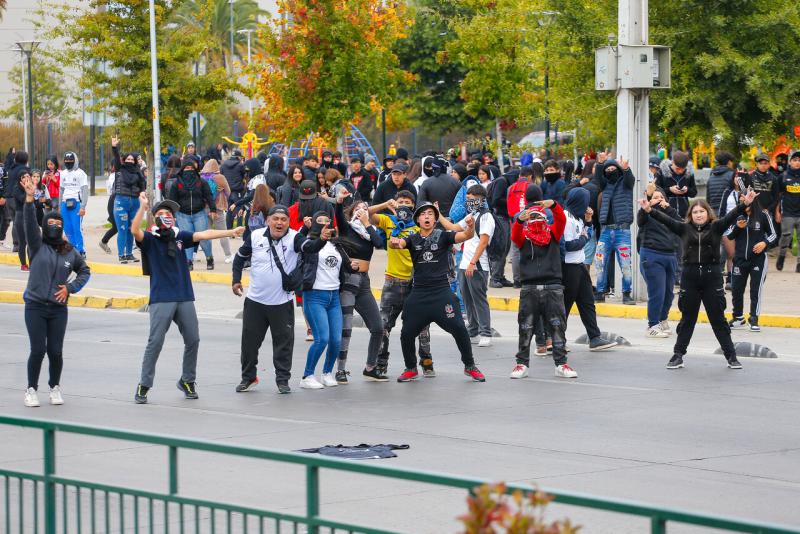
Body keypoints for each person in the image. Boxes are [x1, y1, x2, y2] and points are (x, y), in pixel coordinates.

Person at [132, 192, 245, 404]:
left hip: (184, 296)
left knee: (193, 339)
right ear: (155, 218)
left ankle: (187, 380)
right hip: (162, 297)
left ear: (174, 219)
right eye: (162, 213)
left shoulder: (179, 236)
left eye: (169, 214)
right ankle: (144, 385)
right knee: (155, 342)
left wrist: (231, 231)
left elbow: (203, 234)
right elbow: (134, 230)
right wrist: (142, 207)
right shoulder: (150, 239)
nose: (166, 216)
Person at [641, 190, 759, 370]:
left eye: (701, 211)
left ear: (708, 213)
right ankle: (678, 355)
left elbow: (731, 215)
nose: (698, 214)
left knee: (718, 319)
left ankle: (731, 356)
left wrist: (745, 204)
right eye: (695, 212)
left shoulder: (717, 226)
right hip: (690, 276)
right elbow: (665, 219)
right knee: (687, 319)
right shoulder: (683, 228)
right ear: (690, 215)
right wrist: (649, 210)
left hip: (712, 277)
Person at [388, 202, 486, 383]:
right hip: (418, 294)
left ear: (435, 219)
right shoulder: (412, 238)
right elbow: (399, 243)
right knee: (407, 333)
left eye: (431, 214)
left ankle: (470, 365)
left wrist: (471, 228)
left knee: (459, 328)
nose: (427, 217)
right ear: (417, 219)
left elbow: (465, 235)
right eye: (423, 214)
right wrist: (394, 243)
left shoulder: (443, 236)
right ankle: (411, 368)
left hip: (441, 293)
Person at [232, 205, 323, 394]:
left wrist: (321, 239)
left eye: (283, 219)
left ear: (288, 222)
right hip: (255, 301)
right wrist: (236, 280)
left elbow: (310, 247)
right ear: (268, 220)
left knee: (283, 344)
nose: (279, 223)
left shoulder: (294, 237)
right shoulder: (256, 236)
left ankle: (283, 380)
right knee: (249, 344)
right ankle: (248, 378)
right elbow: (240, 257)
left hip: (282, 303)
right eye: (276, 219)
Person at [19, 174, 90, 407]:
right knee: (38, 349)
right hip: (35, 306)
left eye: (58, 225)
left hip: (59, 309)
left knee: (56, 351)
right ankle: (31, 389)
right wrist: (29, 198)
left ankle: (54, 387)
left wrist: (70, 288)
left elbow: (84, 271)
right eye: (51, 224)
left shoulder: (69, 251)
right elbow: (29, 223)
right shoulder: (37, 246)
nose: (55, 227)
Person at [509, 185, 577, 379]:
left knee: (557, 326)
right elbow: (514, 234)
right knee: (525, 327)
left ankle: (561, 363)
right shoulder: (523, 237)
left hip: (553, 286)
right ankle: (521, 364)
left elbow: (561, 219)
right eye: (532, 218)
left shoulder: (553, 234)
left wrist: (554, 205)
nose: (536, 221)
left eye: (540, 217)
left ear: (546, 219)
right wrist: (519, 221)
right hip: (529, 286)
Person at [369, 190, 435, 377]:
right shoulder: (389, 221)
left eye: (407, 202)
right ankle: (381, 364)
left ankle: (426, 362)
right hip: (393, 281)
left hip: (417, 283)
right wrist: (385, 205)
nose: (404, 205)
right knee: (384, 326)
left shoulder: (420, 224)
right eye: (400, 202)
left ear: (414, 206)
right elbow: (365, 214)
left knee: (422, 326)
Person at [333, 189, 385, 382]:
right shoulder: (348, 228)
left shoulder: (368, 232)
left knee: (378, 327)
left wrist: (367, 223)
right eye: (358, 208)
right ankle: (340, 369)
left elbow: (379, 243)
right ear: (352, 211)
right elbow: (338, 216)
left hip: (364, 282)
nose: (362, 210)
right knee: (346, 327)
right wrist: (339, 201)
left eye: (365, 208)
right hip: (348, 279)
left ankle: (370, 367)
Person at [299, 211, 355, 389]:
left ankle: (327, 373)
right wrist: (305, 229)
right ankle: (307, 376)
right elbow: (302, 247)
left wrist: (351, 266)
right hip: (315, 295)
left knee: (336, 339)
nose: (324, 224)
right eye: (319, 221)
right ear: (313, 223)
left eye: (327, 221)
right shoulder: (307, 242)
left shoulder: (335, 245)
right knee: (321, 339)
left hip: (334, 297)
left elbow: (344, 264)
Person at [561, 187, 618, 350]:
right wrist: (584, 238)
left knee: (587, 302)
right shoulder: (566, 219)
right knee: (564, 305)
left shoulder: (577, 218)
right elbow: (567, 245)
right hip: (568, 268)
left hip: (579, 266)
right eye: (585, 202)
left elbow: (585, 233)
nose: (587, 205)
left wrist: (588, 220)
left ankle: (594, 337)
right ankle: (556, 340)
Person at [636, 184, 682, 337]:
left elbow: (681, 226)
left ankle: (662, 319)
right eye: (655, 197)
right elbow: (640, 219)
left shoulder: (669, 214)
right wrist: (648, 202)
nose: (659, 200)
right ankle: (652, 325)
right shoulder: (646, 213)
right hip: (651, 255)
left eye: (661, 197)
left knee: (669, 293)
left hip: (670, 256)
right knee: (658, 292)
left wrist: (668, 208)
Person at [727, 198, 778, 332]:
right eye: (741, 200)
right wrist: (738, 227)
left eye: (746, 199)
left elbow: (773, 234)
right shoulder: (737, 214)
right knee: (736, 289)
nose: (744, 202)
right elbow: (730, 236)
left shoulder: (762, 214)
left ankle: (754, 318)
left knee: (755, 290)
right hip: (739, 259)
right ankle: (738, 318)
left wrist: (764, 243)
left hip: (758, 260)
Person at [593, 158, 635, 304]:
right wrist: (600, 164)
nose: (611, 171)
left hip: (622, 231)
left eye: (613, 169)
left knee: (625, 265)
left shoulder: (626, 184)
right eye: (607, 170)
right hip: (605, 231)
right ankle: (600, 292)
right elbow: (598, 178)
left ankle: (627, 293)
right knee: (599, 263)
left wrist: (626, 169)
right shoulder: (605, 186)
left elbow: (630, 179)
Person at [458, 185, 494, 347]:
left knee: (479, 300)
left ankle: (486, 332)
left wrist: (473, 262)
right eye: (468, 199)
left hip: (478, 265)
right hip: (464, 265)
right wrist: (437, 216)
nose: (469, 202)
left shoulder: (486, 217)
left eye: (471, 199)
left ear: (481, 199)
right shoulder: (471, 215)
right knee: (467, 299)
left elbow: (484, 242)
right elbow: (455, 228)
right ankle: (472, 331)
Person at [168, 158, 217, 270]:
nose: (189, 170)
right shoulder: (177, 183)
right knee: (187, 239)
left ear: (195, 169)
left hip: (199, 214)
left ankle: (209, 258)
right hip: (182, 215)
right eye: (186, 168)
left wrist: (213, 209)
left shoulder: (201, 182)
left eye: (191, 168)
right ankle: (188, 261)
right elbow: (172, 200)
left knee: (204, 239)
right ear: (182, 169)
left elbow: (209, 196)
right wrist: (171, 215)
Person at [110, 135, 147, 263]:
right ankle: (121, 255)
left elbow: (143, 185)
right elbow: (116, 157)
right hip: (121, 201)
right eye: (128, 159)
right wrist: (114, 147)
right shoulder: (120, 169)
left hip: (135, 202)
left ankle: (129, 254)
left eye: (132, 159)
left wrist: (142, 192)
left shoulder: (138, 172)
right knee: (123, 229)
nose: (130, 161)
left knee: (132, 229)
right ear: (124, 160)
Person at [59, 151, 89, 257]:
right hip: (64, 204)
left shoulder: (81, 173)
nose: (68, 162)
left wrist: (83, 207)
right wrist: (59, 207)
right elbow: (61, 190)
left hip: (76, 203)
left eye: (70, 160)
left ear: (75, 160)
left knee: (77, 228)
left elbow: (85, 190)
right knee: (67, 229)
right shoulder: (62, 173)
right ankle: (72, 250)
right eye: (66, 160)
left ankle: (81, 250)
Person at [776, 150, 800, 272]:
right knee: (786, 237)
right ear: (790, 162)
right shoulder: (783, 176)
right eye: (795, 160)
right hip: (788, 214)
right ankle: (782, 256)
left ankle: (799, 264)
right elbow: (778, 196)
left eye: (799, 160)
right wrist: (777, 211)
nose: (797, 162)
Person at [706, 151, 735, 216]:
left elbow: (708, 198)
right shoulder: (732, 175)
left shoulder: (711, 176)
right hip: (728, 211)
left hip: (713, 213)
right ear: (729, 162)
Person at [99, 161, 118, 255]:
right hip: (113, 202)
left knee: (119, 226)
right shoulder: (113, 176)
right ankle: (103, 241)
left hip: (119, 201)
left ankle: (104, 242)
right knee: (117, 226)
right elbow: (110, 191)